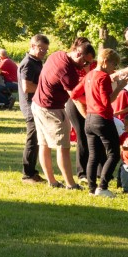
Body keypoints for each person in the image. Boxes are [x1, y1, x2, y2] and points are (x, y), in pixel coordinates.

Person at [32, 36, 93, 190]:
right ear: (78, 53)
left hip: (38, 104)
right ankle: (70, 184)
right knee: (63, 146)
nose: (86, 66)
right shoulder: (67, 71)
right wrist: (89, 116)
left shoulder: (58, 54)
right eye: (86, 62)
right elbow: (77, 98)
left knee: (44, 144)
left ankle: (52, 181)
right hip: (52, 109)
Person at [78, 47, 128, 197]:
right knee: (114, 154)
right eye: (114, 64)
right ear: (105, 61)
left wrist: (90, 102)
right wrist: (120, 87)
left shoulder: (89, 74)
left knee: (93, 155)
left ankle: (91, 189)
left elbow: (75, 93)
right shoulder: (103, 77)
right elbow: (107, 102)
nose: (114, 68)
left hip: (89, 119)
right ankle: (102, 187)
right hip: (103, 119)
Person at [17, 34, 48, 182]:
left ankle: (32, 172)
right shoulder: (28, 63)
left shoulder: (36, 61)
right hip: (30, 106)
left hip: (36, 104)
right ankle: (27, 174)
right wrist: (45, 89)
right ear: (32, 46)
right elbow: (27, 87)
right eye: (41, 49)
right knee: (32, 140)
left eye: (45, 50)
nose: (43, 52)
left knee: (36, 140)